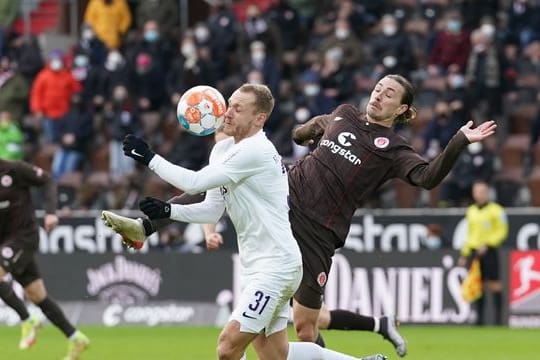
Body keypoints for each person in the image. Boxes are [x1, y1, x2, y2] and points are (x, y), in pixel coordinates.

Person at [102, 75, 497, 357]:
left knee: (306, 326)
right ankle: (146, 225)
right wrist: (309, 133)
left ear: (403, 109)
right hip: (287, 200)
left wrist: (459, 141)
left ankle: (373, 334)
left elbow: (428, 177)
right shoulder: (344, 114)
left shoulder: (393, 149)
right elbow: (300, 133)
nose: (378, 96)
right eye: (378, 88)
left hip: (318, 233)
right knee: (227, 183)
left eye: (389, 94)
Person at [103, 83, 386, 360]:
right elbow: (212, 210)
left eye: (238, 109)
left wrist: (150, 158)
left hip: (276, 267)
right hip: (260, 266)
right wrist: (169, 212)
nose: (228, 113)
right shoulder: (224, 151)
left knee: (227, 347)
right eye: (229, 105)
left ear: (258, 118)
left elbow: (194, 181)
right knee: (275, 354)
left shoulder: (256, 150)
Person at [0, 159, 90, 359]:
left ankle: (27, 318)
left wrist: (51, 213)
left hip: (24, 237)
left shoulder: (14, 170)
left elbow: (48, 180)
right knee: (37, 295)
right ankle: (76, 337)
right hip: (5, 244)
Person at [458, 181, 508, 325]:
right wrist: (464, 253)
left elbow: (502, 232)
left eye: (482, 192)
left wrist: (488, 243)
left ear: (487, 193)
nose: (479, 195)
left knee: (494, 284)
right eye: (476, 192)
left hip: (490, 251)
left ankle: (499, 321)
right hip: (474, 251)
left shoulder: (497, 210)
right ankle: (480, 321)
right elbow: (469, 234)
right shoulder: (471, 211)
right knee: (477, 285)